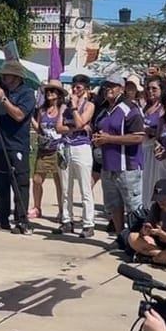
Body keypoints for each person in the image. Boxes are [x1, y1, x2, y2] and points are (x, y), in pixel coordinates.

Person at [0, 60, 36, 234]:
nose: (4, 77)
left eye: (7, 75)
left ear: (16, 77)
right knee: (0, 183)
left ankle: (22, 221)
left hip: (16, 145)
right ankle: (1, 218)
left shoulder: (27, 93)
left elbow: (19, 115)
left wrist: (3, 99)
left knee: (19, 183)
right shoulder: (0, 92)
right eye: (3, 75)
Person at [93, 73, 145, 236]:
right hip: (107, 166)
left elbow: (139, 136)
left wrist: (110, 139)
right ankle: (121, 236)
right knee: (114, 205)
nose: (108, 89)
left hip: (127, 166)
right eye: (106, 86)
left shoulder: (130, 108)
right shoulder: (103, 111)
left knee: (133, 206)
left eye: (112, 86)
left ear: (121, 88)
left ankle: (136, 240)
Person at [55, 74, 95, 237]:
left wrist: (73, 111)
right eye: (74, 86)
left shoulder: (89, 105)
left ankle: (88, 223)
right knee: (66, 187)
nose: (75, 90)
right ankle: (66, 219)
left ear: (85, 89)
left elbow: (80, 121)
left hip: (82, 148)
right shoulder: (64, 107)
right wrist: (75, 127)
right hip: (65, 146)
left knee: (85, 187)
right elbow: (59, 127)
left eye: (79, 87)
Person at [29, 79, 64, 220]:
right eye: (48, 90)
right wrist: (31, 119)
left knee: (59, 181)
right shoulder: (42, 110)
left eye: (53, 90)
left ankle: (62, 210)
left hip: (58, 149)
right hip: (43, 150)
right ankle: (37, 207)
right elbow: (39, 129)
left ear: (59, 94)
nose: (49, 93)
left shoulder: (62, 109)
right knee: (37, 179)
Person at [142, 75, 165, 208]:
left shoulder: (162, 108)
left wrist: (149, 130)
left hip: (154, 149)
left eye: (154, 89)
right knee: (144, 184)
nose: (151, 91)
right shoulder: (146, 108)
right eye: (149, 89)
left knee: (153, 182)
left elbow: (163, 131)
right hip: (143, 148)